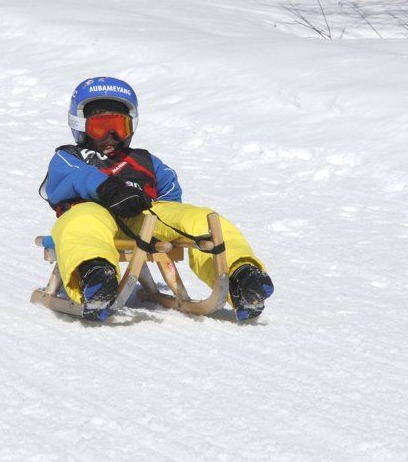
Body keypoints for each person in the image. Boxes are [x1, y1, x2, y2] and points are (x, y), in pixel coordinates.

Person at [40, 76, 273, 321]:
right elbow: (72, 178)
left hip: (143, 218)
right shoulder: (69, 158)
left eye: (119, 127)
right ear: (80, 125)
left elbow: (169, 194)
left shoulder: (144, 160)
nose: (111, 136)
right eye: (100, 127)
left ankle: (241, 276)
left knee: (199, 218)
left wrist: (171, 218)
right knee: (80, 220)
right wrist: (108, 189)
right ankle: (96, 278)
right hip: (95, 217)